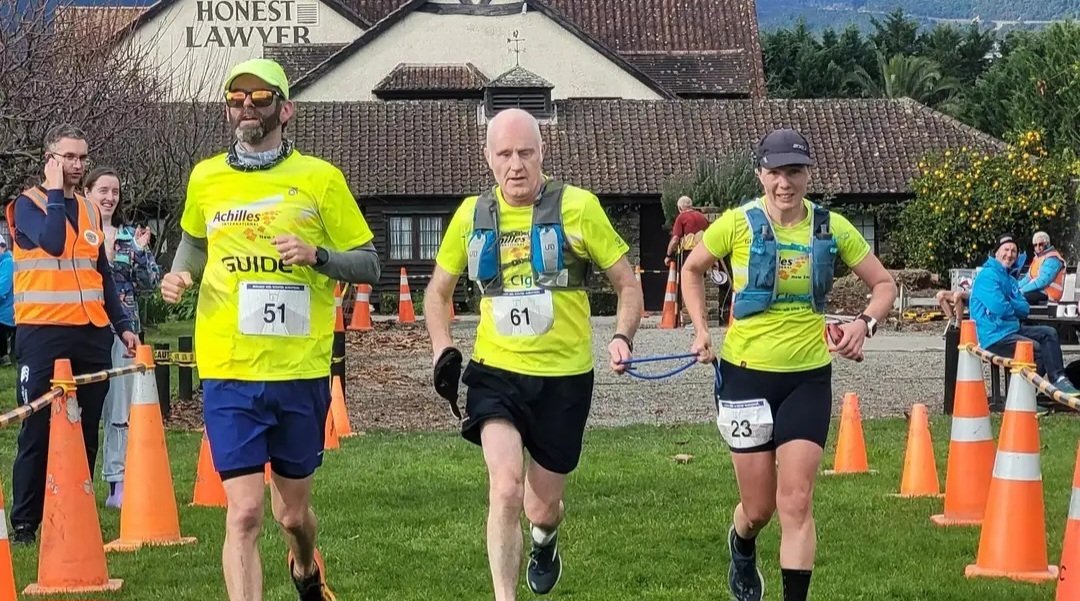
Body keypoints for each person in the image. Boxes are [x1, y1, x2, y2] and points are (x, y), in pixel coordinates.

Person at [160, 58, 380, 601]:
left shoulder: (320, 179)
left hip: (298, 370)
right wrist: (181, 272)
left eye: (260, 99)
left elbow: (370, 263)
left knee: (292, 513)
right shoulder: (206, 177)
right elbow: (192, 239)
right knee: (244, 511)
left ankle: (305, 568)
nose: (246, 108)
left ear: (286, 109)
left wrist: (317, 254)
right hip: (228, 365)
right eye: (237, 99)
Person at [424, 108, 643, 601]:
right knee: (504, 487)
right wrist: (443, 350)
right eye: (504, 154)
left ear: (543, 152)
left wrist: (623, 337)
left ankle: (545, 539)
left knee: (541, 508)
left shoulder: (579, 208)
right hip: (495, 372)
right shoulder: (471, 215)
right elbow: (437, 293)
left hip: (564, 379)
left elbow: (628, 285)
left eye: (526, 152)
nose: (516, 164)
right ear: (488, 158)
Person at [679, 128, 897, 601]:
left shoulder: (831, 227)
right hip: (743, 377)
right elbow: (691, 269)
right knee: (759, 508)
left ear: (808, 174)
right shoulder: (736, 224)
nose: (785, 183)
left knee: (796, 500)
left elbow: (884, 285)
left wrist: (865, 324)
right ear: (760, 174)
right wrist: (700, 330)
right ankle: (742, 541)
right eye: (775, 172)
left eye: (794, 171)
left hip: (807, 379)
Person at [5, 124, 141, 545]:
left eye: (82, 157)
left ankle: (76, 512)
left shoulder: (87, 208)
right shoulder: (26, 206)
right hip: (43, 332)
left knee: (86, 428)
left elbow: (99, 271)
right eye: (69, 157)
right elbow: (50, 243)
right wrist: (55, 193)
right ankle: (26, 523)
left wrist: (121, 325)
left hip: (90, 332)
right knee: (38, 428)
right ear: (50, 159)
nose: (78, 165)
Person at [84, 167, 161, 508]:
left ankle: (117, 483)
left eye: (114, 192)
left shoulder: (128, 237)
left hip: (124, 332)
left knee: (119, 407)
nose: (109, 198)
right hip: (84, 328)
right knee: (83, 407)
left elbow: (150, 283)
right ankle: (76, 478)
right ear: (87, 192)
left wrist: (142, 252)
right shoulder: (77, 233)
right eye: (102, 190)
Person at [970, 233, 1079, 395]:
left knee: (1049, 333)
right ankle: (1022, 397)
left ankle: (1058, 379)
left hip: (1010, 329)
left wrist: (1009, 302)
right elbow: (999, 307)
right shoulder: (987, 275)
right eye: (1006, 249)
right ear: (996, 253)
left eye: (1014, 251)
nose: (1010, 254)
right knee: (1039, 350)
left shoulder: (1009, 278)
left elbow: (1025, 308)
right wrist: (1013, 304)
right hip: (994, 336)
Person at [1018, 230, 1066, 305]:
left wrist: (1021, 290)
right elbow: (1028, 278)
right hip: (1038, 291)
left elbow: (1042, 281)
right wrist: (1015, 288)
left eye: (1041, 244)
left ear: (1047, 244)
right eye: (1035, 245)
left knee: (1019, 298)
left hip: (1049, 294)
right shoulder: (1038, 258)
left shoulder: (1053, 259)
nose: (1038, 247)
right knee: (1014, 296)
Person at [665, 195, 709, 266]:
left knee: (688, 275)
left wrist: (668, 255)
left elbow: (675, 240)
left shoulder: (681, 218)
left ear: (679, 208)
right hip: (704, 252)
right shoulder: (702, 216)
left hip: (689, 254)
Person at [0, 239, 12, 366]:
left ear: (3, 247)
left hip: (7, 311)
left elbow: (2, 288)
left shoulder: (8, 263)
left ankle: (4, 356)